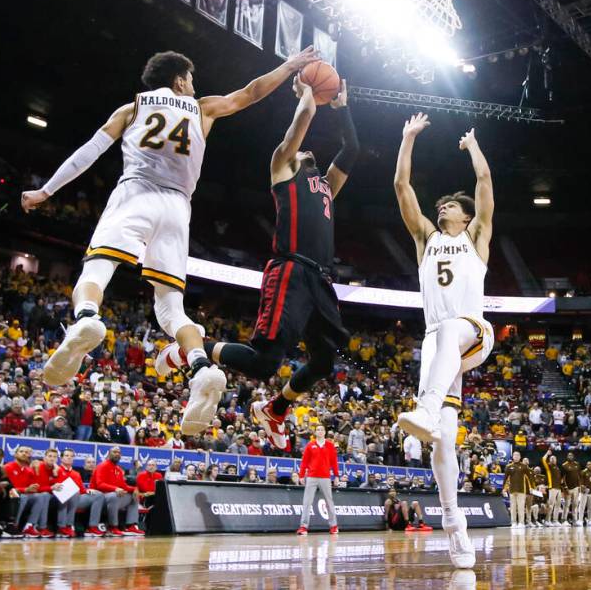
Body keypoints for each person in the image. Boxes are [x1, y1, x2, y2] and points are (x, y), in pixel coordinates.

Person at [20, 47, 320, 439]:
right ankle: (200, 366)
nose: (194, 86)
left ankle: (87, 319)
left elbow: (89, 153)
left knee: (97, 269)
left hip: (136, 193)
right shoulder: (202, 108)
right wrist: (291, 65)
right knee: (170, 306)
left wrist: (46, 190)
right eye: (191, 80)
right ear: (180, 81)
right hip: (178, 207)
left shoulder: (132, 108)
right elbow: (251, 92)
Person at [158, 76, 358, 449]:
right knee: (265, 363)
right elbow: (296, 130)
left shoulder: (327, 185)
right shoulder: (283, 166)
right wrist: (308, 97)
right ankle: (191, 348)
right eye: (302, 149)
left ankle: (275, 409)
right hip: (291, 271)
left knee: (324, 361)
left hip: (320, 280)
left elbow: (353, 149)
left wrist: (343, 109)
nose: (306, 149)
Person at [391, 116, 494, 569]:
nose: (441, 210)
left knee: (452, 328)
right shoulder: (425, 239)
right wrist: (407, 139)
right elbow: (401, 185)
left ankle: (427, 410)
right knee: (442, 442)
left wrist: (472, 146)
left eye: (448, 206)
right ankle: (454, 524)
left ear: (465, 215)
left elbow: (485, 178)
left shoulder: (476, 237)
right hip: (436, 343)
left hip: (473, 329)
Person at [91, 446, 144, 536]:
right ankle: (113, 527)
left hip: (113, 496)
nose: (117, 454)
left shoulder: (118, 469)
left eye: (119, 453)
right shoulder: (102, 466)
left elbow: (124, 486)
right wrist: (115, 489)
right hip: (99, 497)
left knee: (133, 496)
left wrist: (134, 489)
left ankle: (131, 526)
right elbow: (100, 484)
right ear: (109, 454)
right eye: (114, 452)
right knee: (114, 496)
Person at [297, 425, 339, 535]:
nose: (320, 431)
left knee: (329, 502)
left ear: (325, 432)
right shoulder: (310, 445)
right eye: (318, 430)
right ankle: (303, 527)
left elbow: (334, 462)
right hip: (311, 476)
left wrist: (336, 476)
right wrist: (301, 475)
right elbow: (304, 462)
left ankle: (333, 526)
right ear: (315, 432)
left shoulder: (330, 445)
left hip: (325, 477)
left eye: (321, 429)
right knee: (307, 502)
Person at [54, 448, 107, 537]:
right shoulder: (56, 470)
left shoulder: (76, 474)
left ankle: (93, 526)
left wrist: (89, 491)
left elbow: (82, 490)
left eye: (71, 456)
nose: (69, 458)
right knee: (72, 492)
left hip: (76, 498)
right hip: (59, 498)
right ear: (61, 458)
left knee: (98, 495)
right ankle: (64, 526)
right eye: (67, 456)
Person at [3, 445, 51, 537]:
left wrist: (36, 472)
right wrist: (25, 489)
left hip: (24, 495)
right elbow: (8, 488)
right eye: (21, 451)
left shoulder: (29, 470)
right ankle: (13, 525)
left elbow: (34, 488)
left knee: (43, 495)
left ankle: (29, 526)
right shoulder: (7, 467)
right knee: (23, 496)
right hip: (10, 496)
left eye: (26, 452)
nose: (24, 454)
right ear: (15, 454)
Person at [502, 451, 531, 528]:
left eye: (518, 455)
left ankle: (521, 522)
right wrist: (503, 489)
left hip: (521, 490)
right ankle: (513, 522)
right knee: (513, 507)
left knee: (521, 507)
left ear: (520, 457)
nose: (516, 456)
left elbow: (529, 478)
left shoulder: (524, 466)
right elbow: (505, 479)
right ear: (513, 456)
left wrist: (531, 488)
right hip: (512, 490)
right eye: (515, 455)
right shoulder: (508, 466)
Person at [541, 452, 565, 526]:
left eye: (554, 458)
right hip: (552, 488)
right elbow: (543, 459)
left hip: (558, 488)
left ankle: (555, 520)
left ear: (556, 460)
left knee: (558, 505)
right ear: (550, 460)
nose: (553, 459)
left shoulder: (557, 468)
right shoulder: (549, 466)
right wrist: (547, 454)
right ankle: (547, 520)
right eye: (551, 458)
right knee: (551, 505)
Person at [561, 453, 582, 526]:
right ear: (567, 457)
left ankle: (574, 520)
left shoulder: (577, 464)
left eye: (571, 455)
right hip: (568, 488)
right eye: (569, 455)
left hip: (576, 488)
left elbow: (579, 476)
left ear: (573, 456)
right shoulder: (564, 465)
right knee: (567, 504)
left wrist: (579, 486)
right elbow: (562, 478)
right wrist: (565, 487)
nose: (570, 456)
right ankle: (564, 520)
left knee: (575, 504)